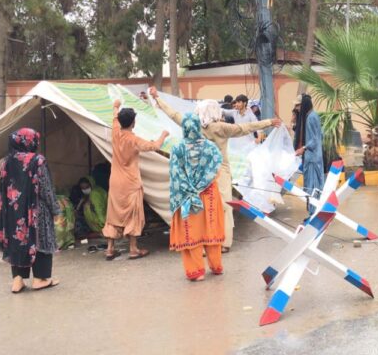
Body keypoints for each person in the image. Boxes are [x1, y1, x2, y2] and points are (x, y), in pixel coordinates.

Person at [149, 87, 279, 253]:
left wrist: (157, 99)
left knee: (201, 207)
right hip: (221, 171)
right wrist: (269, 122)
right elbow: (246, 127)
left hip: (201, 172)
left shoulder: (193, 125)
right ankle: (224, 243)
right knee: (225, 206)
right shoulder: (222, 127)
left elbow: (174, 115)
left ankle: (202, 243)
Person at [103, 100, 169, 261]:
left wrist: (115, 106)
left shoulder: (116, 132)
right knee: (133, 214)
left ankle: (110, 249)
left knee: (113, 214)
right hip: (131, 182)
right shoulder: (134, 140)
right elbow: (154, 146)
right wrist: (164, 135)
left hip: (115, 181)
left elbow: (114, 117)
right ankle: (133, 249)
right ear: (133, 122)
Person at [0, 128, 61, 293]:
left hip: (13, 212)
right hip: (36, 211)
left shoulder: (6, 162)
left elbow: (2, 190)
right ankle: (40, 279)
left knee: (18, 241)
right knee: (40, 240)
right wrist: (55, 209)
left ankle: (18, 280)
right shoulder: (38, 161)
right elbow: (46, 189)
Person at [169, 113, 225, 281]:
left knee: (191, 233)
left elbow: (175, 176)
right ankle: (216, 266)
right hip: (209, 196)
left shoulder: (177, 149)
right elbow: (216, 171)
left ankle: (196, 271)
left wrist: (190, 188)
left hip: (187, 197)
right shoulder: (210, 148)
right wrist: (202, 184)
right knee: (211, 228)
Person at [294, 94, 323, 214]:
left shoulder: (311, 117)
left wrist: (304, 148)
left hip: (313, 159)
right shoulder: (309, 116)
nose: (297, 108)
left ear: (304, 104)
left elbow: (316, 139)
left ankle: (314, 212)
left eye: (298, 105)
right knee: (309, 186)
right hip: (310, 157)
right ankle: (312, 212)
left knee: (312, 187)